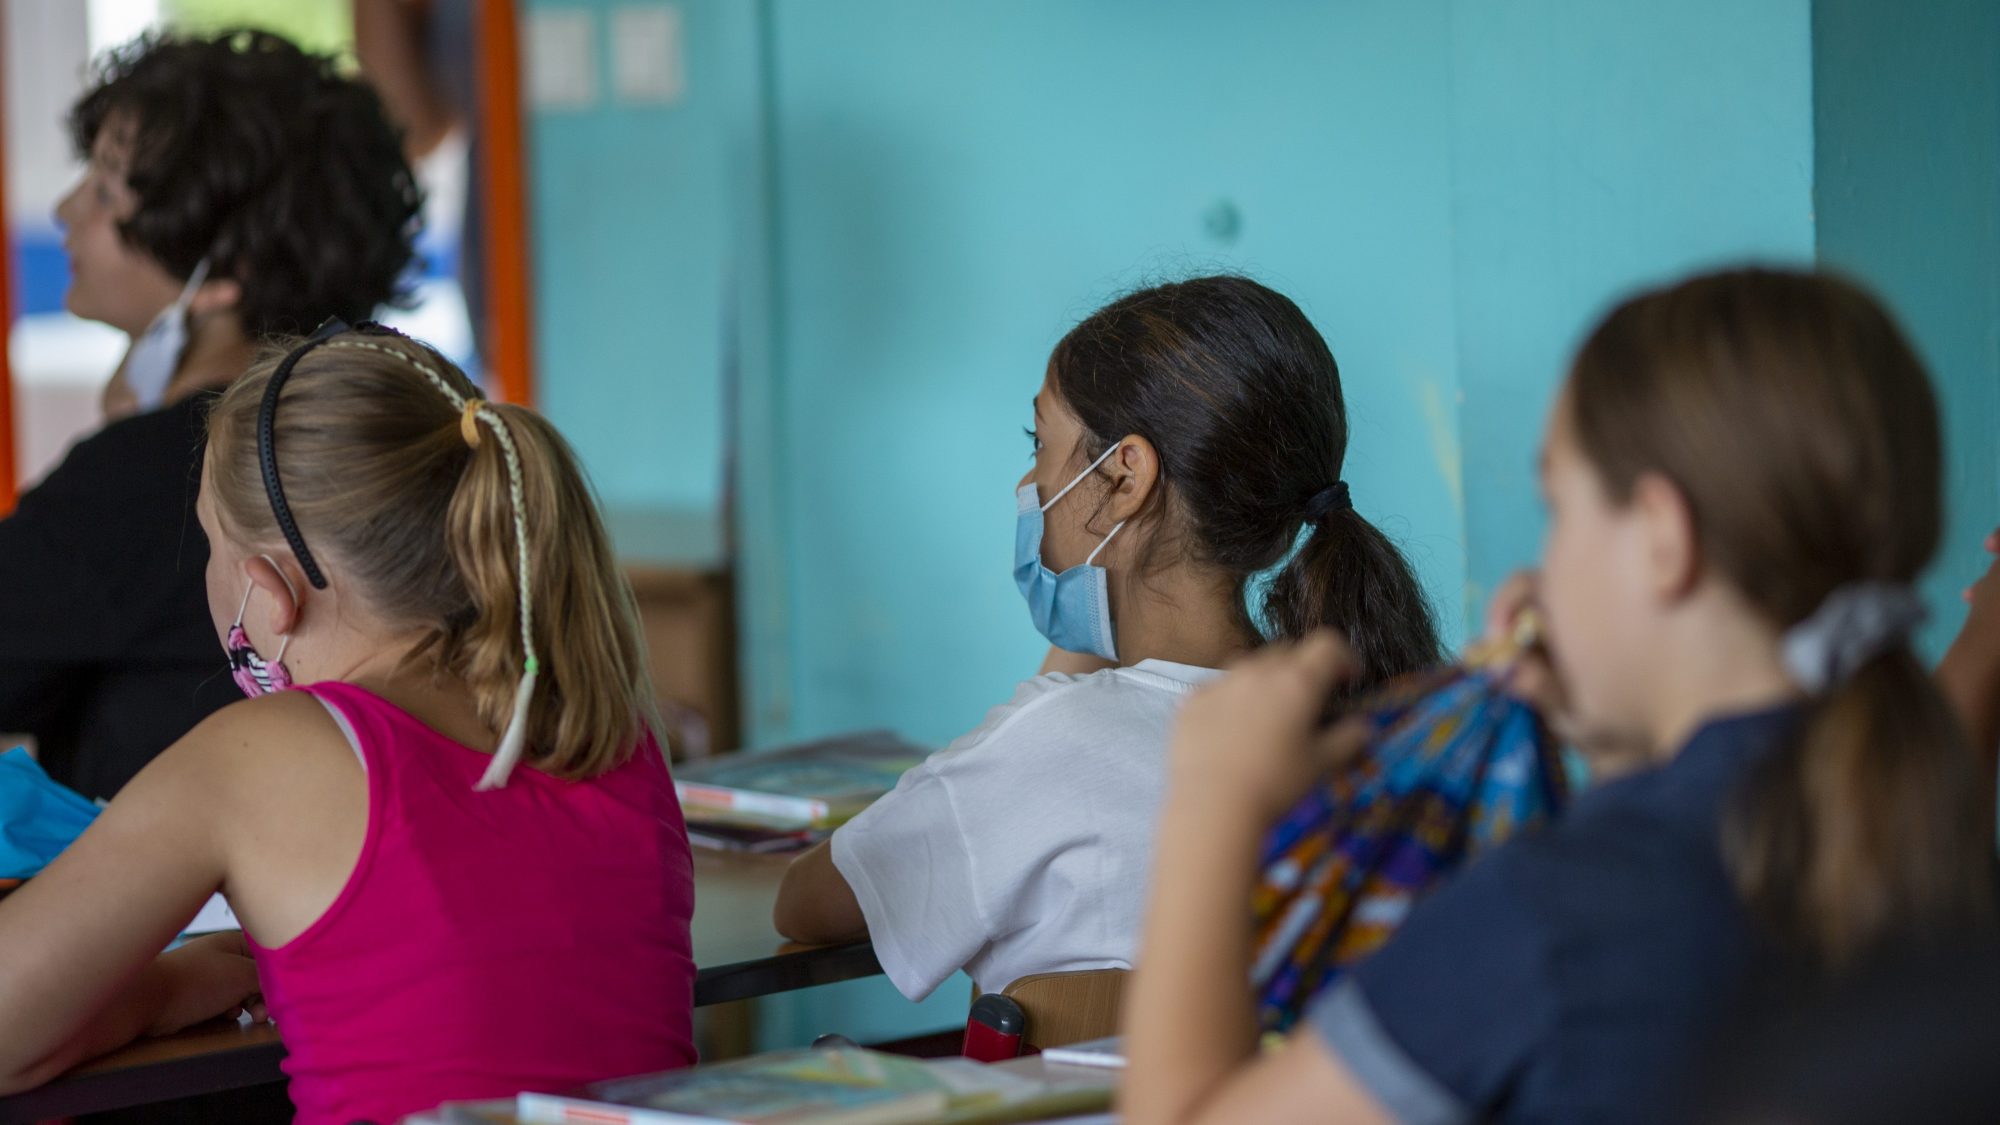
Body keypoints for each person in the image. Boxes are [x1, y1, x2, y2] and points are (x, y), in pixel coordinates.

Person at [1122, 267, 1999, 1124]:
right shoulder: (1930, 854)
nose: (1540, 565)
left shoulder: (1553, 917)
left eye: (1559, 505)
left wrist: (1215, 796)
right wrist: (1620, 747)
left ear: (1662, 536)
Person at [0, 326, 697, 1125]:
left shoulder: (263, 754)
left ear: (268, 589)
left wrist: (171, 987)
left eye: (209, 543)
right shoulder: (603, 720)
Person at [774, 276, 1443, 1002]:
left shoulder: (1050, 744)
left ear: (1126, 478)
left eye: (1041, 443)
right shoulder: (1367, 718)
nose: (1028, 482)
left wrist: (1063, 678)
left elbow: (807, 902)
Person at [0, 30, 422, 799]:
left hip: (173, 915)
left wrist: (132, 438)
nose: (65, 213)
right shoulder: (356, 442)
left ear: (223, 274)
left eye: (103, 192)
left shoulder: (154, 470)